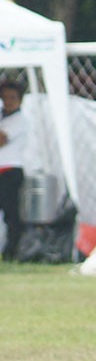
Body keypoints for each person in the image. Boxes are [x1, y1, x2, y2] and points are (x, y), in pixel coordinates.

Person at [0, 81, 28, 261]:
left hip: (10, 171)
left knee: (11, 213)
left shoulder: (20, 120)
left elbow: (2, 140)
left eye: (13, 98)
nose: (8, 101)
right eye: (5, 97)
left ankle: (13, 252)